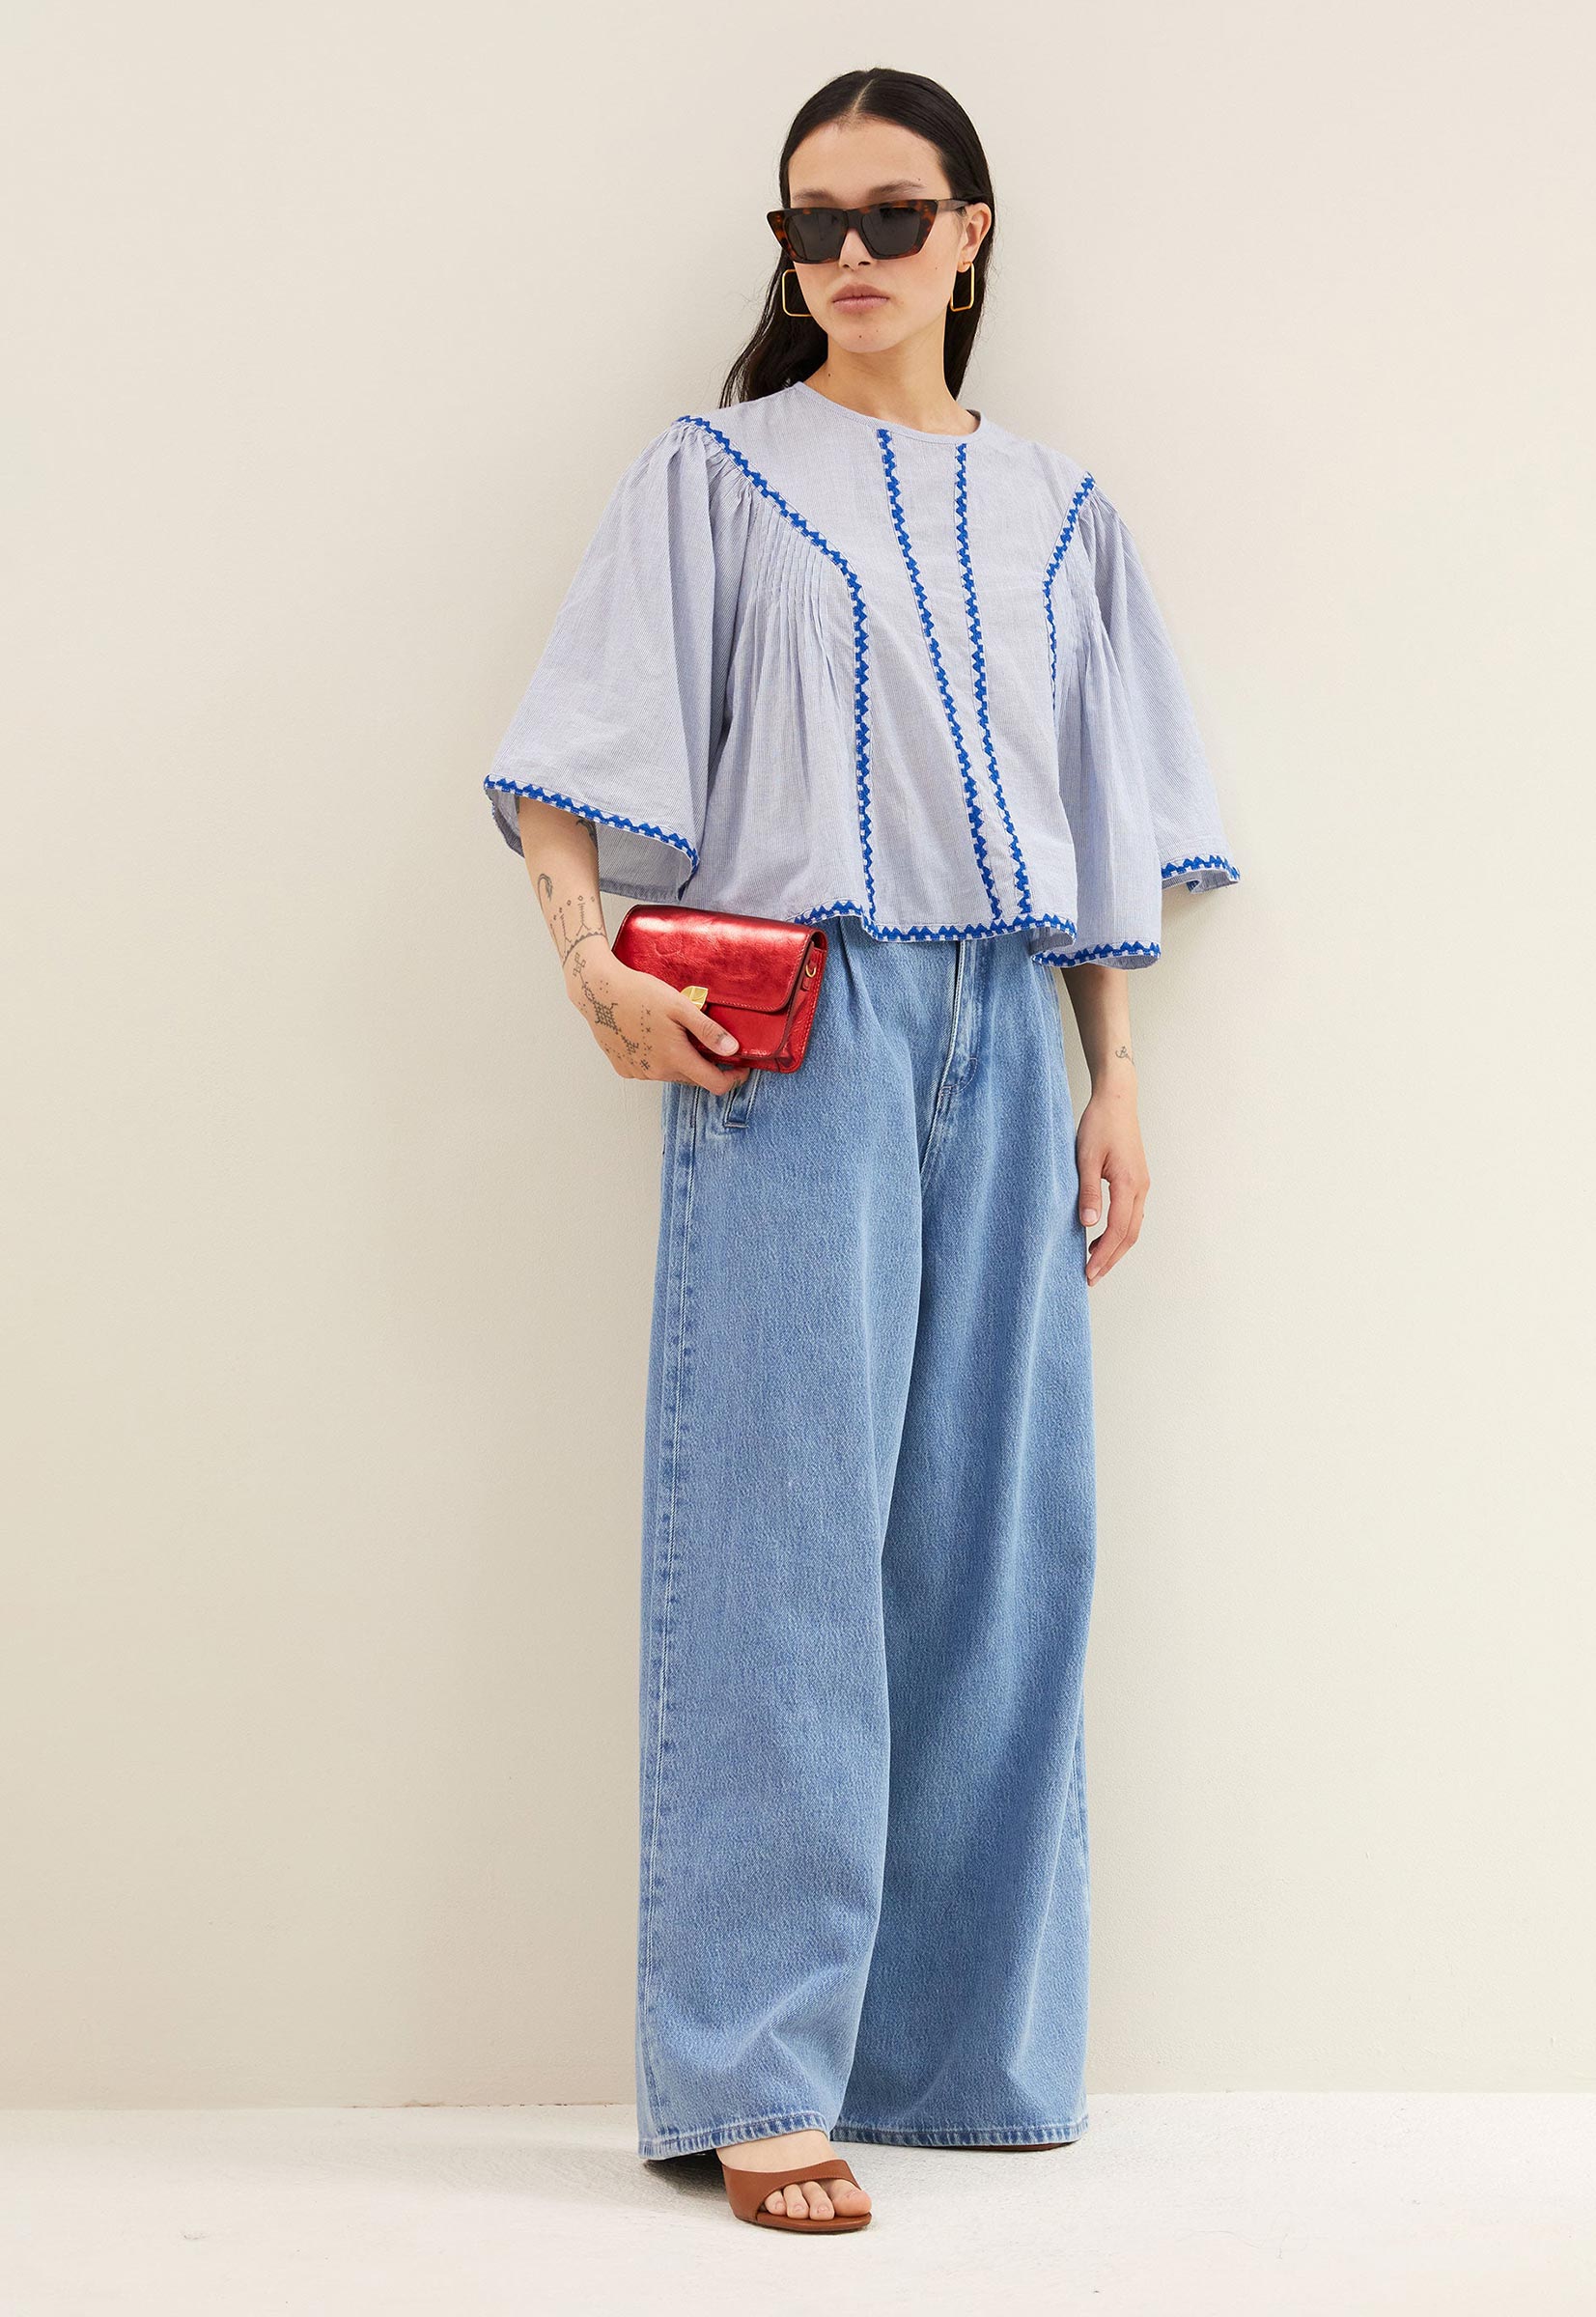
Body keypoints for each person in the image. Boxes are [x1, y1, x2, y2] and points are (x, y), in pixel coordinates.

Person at [483, 68, 1241, 2237]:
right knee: (784, 1545)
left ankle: (956, 2055)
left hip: (1009, 1030)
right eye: (809, 224)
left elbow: (1106, 819)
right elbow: (567, 762)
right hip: (797, 1033)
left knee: (1005, 1548)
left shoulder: (1066, 512)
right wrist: (586, 964)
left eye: (891, 217)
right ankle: (758, 2069)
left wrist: (1115, 1076)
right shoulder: (716, 473)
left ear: (971, 234)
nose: (847, 258)